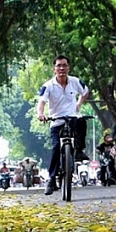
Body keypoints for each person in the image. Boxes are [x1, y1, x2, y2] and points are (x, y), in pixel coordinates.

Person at [37, 55, 90, 195]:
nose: (62, 68)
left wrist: (78, 104)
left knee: (82, 122)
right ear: (54, 69)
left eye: (64, 65)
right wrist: (41, 114)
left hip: (72, 118)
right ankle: (51, 179)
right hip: (56, 121)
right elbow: (41, 102)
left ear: (68, 67)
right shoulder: (48, 85)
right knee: (55, 148)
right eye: (59, 65)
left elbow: (85, 92)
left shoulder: (75, 81)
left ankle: (78, 150)